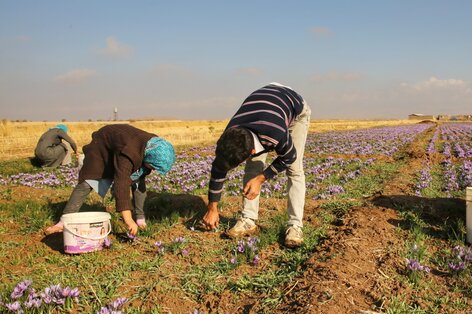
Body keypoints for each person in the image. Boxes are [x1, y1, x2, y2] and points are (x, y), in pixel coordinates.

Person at [202, 83, 311, 248]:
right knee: (252, 167)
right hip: (262, 109)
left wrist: (261, 179)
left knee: (294, 169)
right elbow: (218, 169)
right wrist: (212, 207)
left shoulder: (275, 133)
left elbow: (289, 157)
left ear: (252, 150)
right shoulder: (230, 135)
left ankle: (295, 226)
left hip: (295, 109)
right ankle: (248, 219)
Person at [44, 124, 176, 236]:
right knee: (88, 181)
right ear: (148, 157)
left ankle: (140, 219)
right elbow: (122, 184)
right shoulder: (128, 153)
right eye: (152, 166)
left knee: (138, 181)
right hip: (102, 144)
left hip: (123, 145)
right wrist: (128, 220)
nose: (152, 170)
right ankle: (63, 221)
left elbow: (136, 177)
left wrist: (137, 218)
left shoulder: (156, 145)